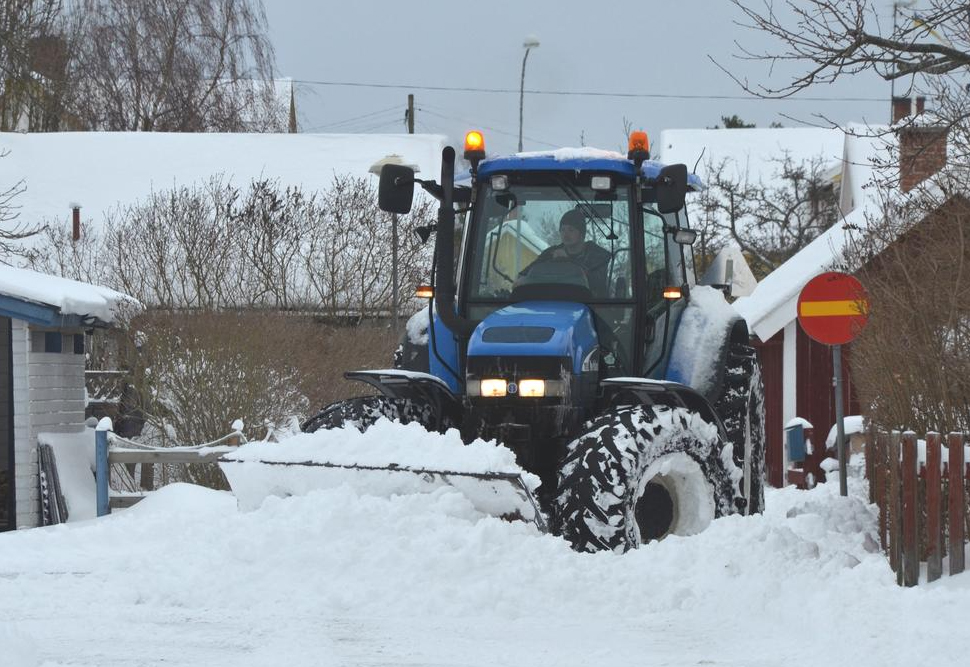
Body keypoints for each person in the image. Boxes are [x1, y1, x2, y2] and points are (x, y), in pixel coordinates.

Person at [522, 208, 611, 295]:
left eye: (571, 230)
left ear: (581, 233)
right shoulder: (550, 253)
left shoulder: (598, 255)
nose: (566, 234)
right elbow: (525, 274)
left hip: (590, 305)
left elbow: (597, 284)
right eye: (563, 230)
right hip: (554, 303)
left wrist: (567, 261)